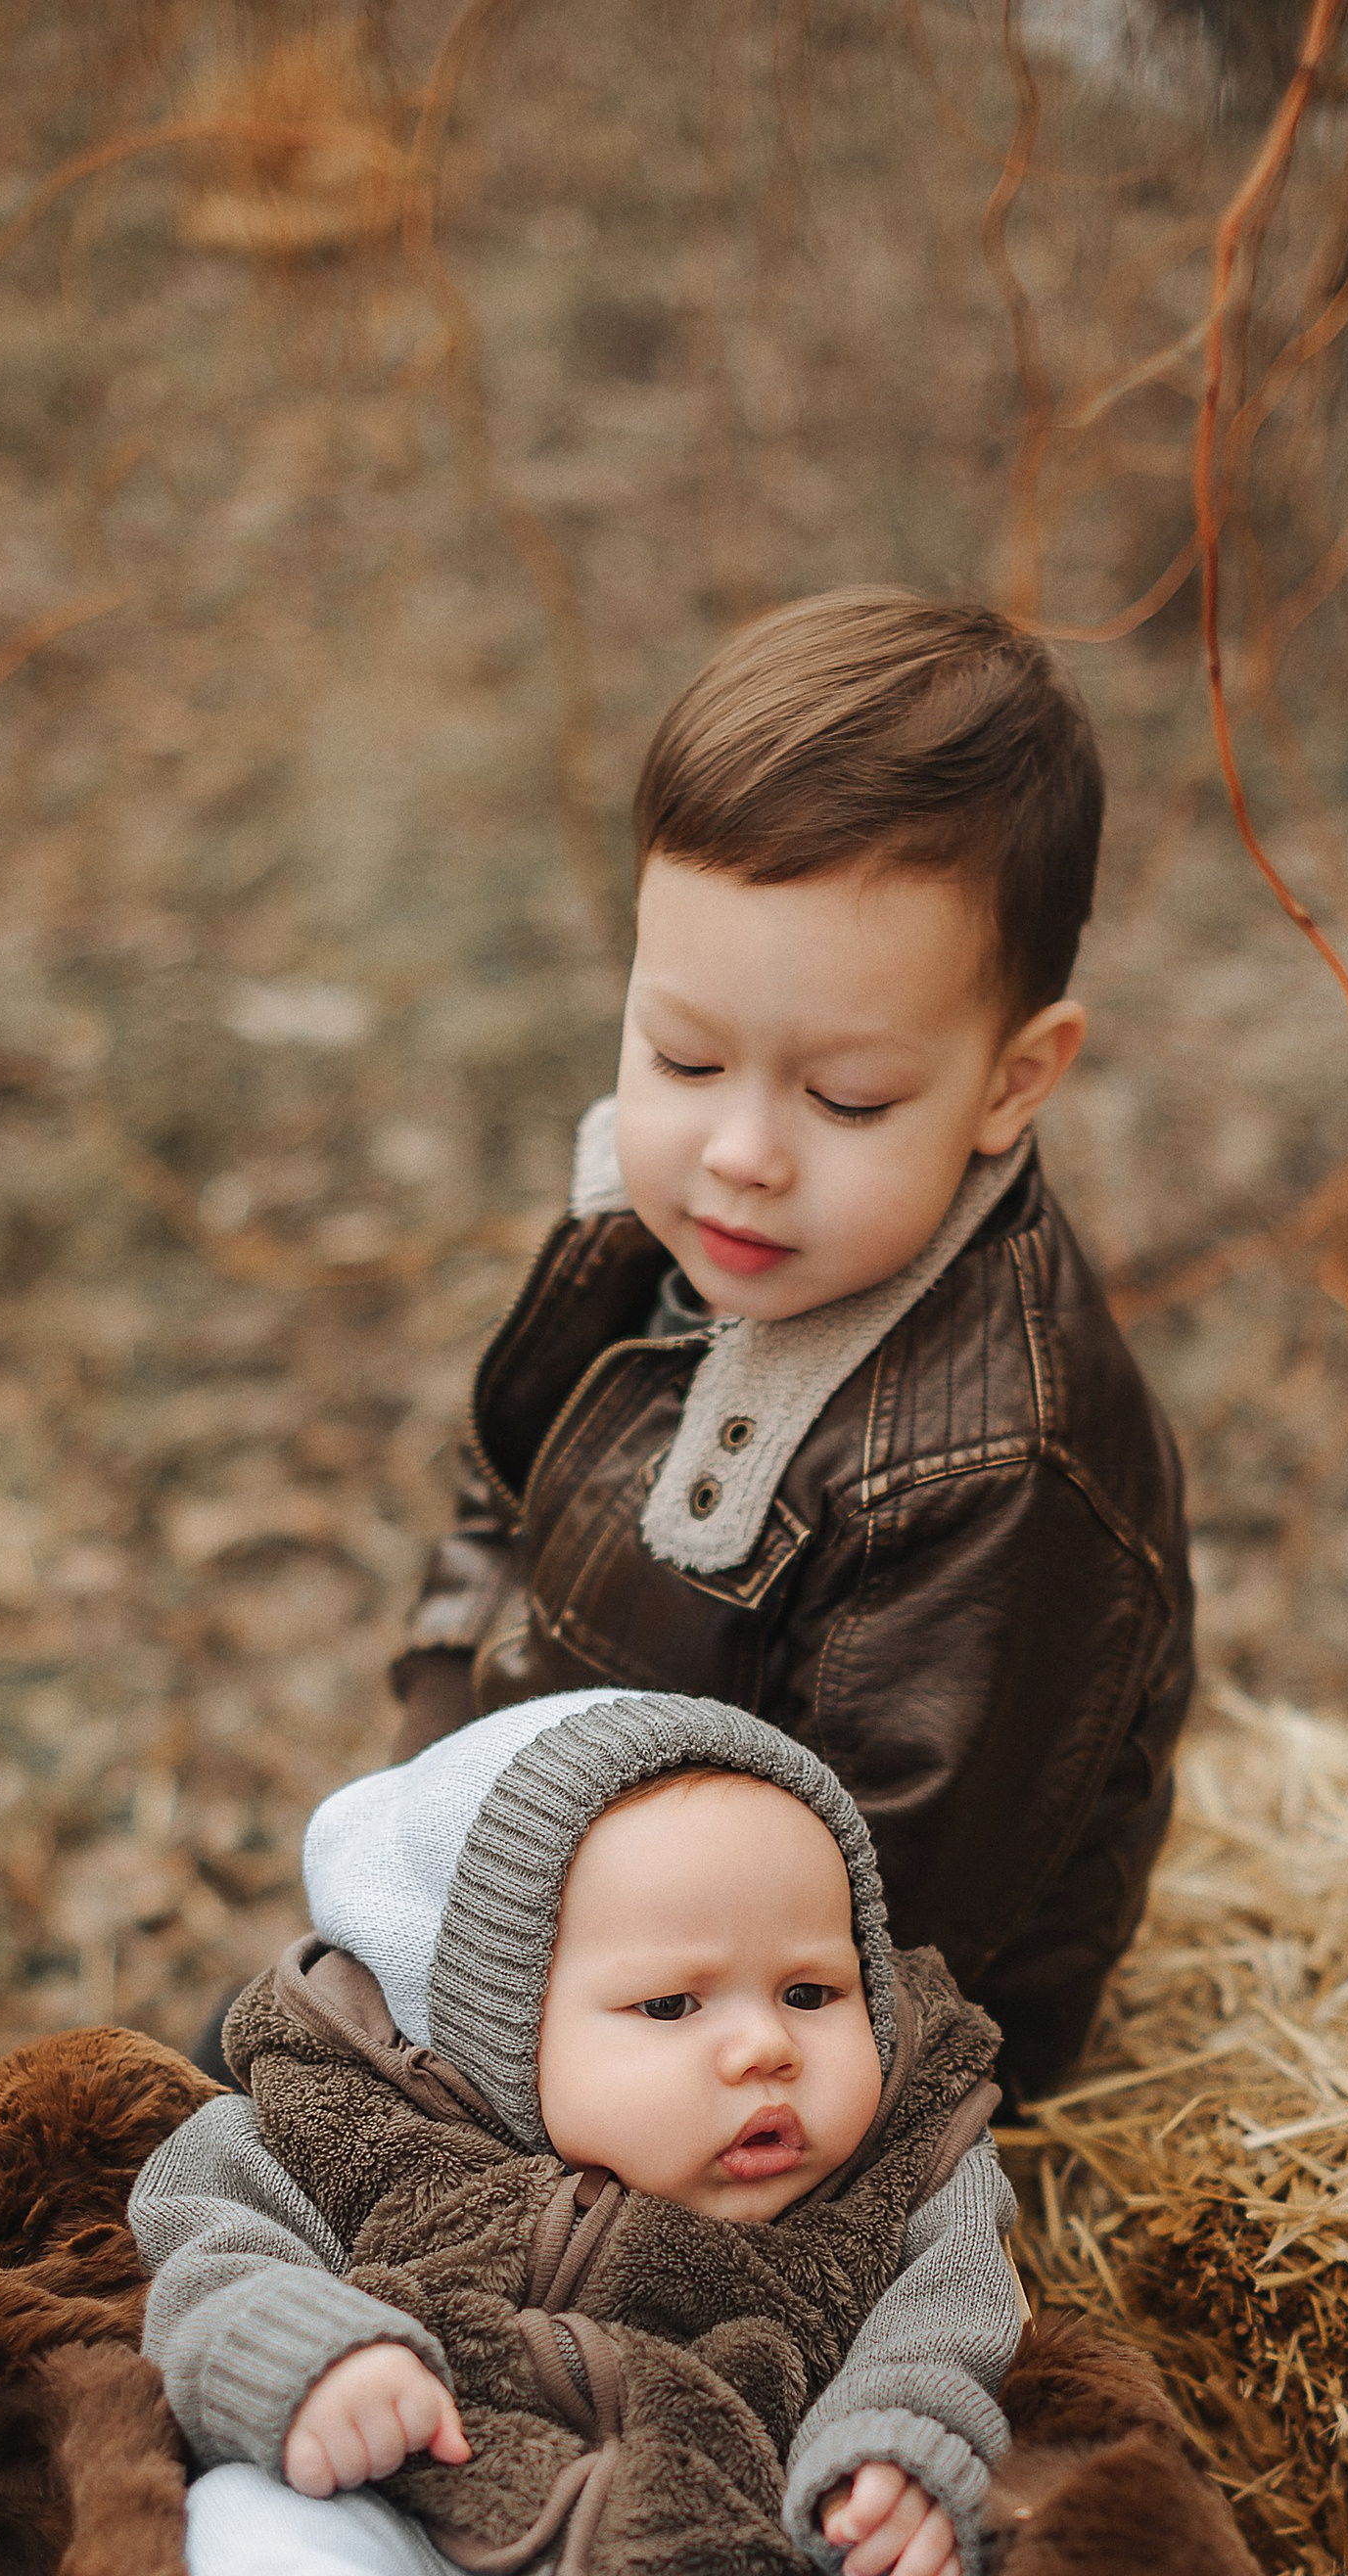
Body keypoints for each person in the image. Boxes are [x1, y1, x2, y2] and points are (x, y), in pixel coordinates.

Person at [387, 586, 1193, 2105]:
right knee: (211, 2122)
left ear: (1016, 1080)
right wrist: (429, 1771)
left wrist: (529, 2021)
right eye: (682, 1056)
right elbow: (499, 1494)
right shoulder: (657, 1210)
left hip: (788, 2058)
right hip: (556, 1890)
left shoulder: (999, 1468)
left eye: (849, 1100)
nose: (741, 1152)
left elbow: (886, 1949)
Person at [137, 1688, 1025, 2576]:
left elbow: (956, 2314)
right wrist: (313, 2353)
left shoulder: (905, 2172)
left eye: (813, 1993)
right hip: (436, 2540)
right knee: (252, 2525)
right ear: (491, 2025)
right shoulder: (352, 2128)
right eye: (671, 2004)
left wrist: (901, 2451)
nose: (766, 2047)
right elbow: (208, 2230)